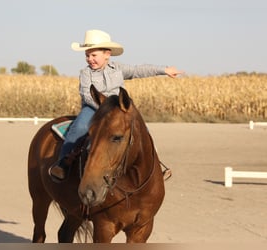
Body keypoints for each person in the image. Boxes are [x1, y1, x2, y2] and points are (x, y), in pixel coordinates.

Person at [49, 29, 183, 182]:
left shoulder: (118, 69)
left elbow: (138, 70)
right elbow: (87, 94)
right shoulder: (86, 73)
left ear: (107, 54)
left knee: (143, 130)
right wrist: (105, 107)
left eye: (94, 55)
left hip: (120, 109)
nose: (90, 59)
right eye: (87, 55)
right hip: (94, 109)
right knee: (79, 127)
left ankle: (156, 166)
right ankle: (63, 164)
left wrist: (164, 70)